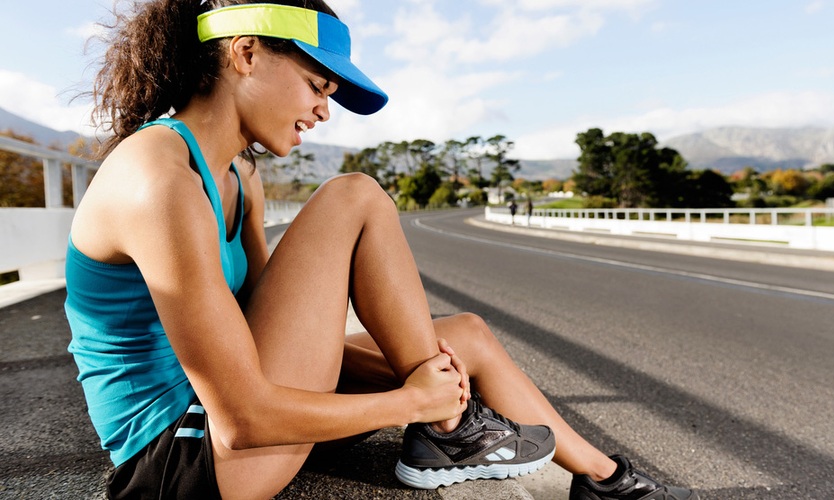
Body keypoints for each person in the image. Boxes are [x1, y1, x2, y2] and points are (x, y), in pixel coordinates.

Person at [64, 1, 699, 499]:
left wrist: (431, 374)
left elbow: (268, 332)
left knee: (466, 338)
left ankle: (606, 481)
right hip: (190, 460)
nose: (323, 109)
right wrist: (410, 401)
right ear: (246, 54)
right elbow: (243, 418)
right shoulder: (158, 180)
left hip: (235, 409)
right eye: (317, 84)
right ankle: (449, 430)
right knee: (353, 197)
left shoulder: (238, 174)